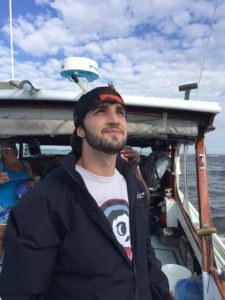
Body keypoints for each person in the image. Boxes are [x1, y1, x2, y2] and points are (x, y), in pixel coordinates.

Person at [0, 87, 170, 299]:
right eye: (101, 111)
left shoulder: (134, 186)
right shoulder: (45, 199)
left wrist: (161, 293)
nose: (114, 119)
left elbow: (144, 250)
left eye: (120, 112)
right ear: (80, 129)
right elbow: (23, 291)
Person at [0, 141, 34, 256]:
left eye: (7, 148)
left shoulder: (26, 164)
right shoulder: (0, 164)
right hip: (3, 205)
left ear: (15, 150)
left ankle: (15, 262)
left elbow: (31, 180)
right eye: (2, 149)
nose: (4, 151)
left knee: (20, 235)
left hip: (21, 205)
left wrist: (31, 183)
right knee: (1, 235)